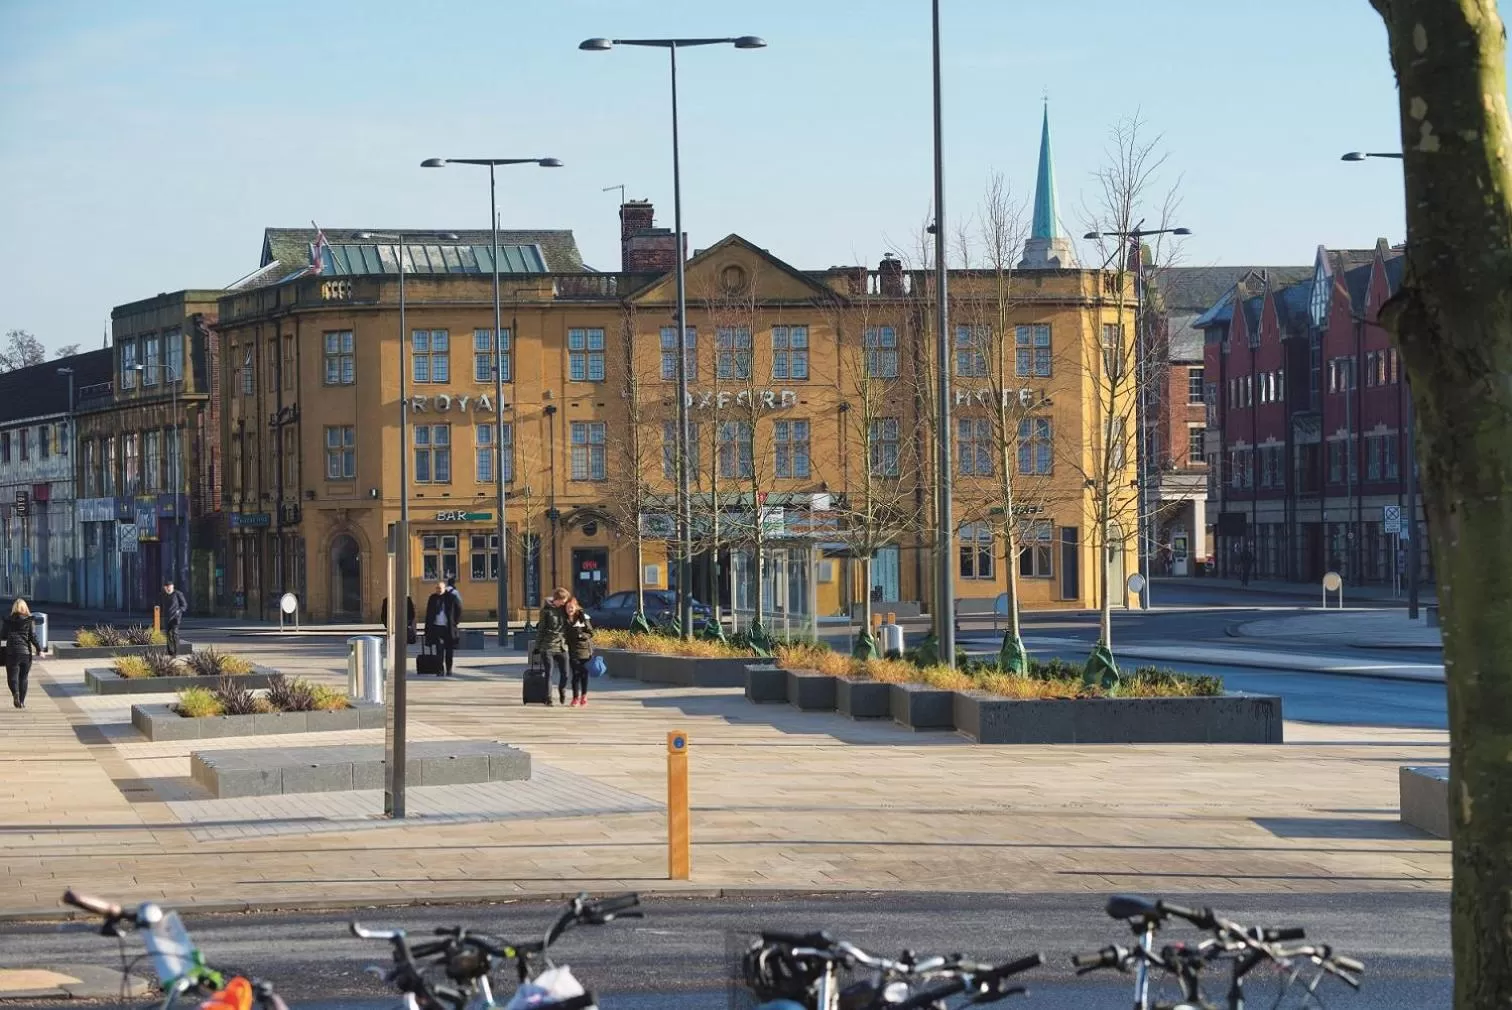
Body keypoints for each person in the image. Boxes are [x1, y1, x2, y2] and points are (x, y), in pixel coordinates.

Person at [535, 588, 572, 706]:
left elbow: (576, 611)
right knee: (548, 673)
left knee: (565, 673)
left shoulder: (565, 609)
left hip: (562, 646)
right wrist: (537, 646)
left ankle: (562, 690)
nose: (565, 602)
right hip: (548, 646)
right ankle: (548, 698)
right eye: (563, 600)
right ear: (558, 599)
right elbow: (541, 629)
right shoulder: (546, 611)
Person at [3, 598, 42, 709]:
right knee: (23, 678)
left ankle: (15, 693)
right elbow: (33, 637)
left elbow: (3, 635)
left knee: (12, 677)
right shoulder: (29, 621)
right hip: (25, 653)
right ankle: (22, 702)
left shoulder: (8, 620)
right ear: (25, 608)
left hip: (11, 652)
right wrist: (39, 650)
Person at [423, 580, 462, 675]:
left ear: (444, 588)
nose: (438, 590)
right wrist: (427, 628)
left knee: (449, 650)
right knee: (439, 650)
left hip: (448, 628)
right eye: (437, 588)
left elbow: (459, 608)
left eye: (440, 588)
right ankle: (440, 670)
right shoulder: (433, 598)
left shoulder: (451, 598)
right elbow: (428, 614)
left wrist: (455, 622)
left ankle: (449, 669)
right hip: (437, 628)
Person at [563, 593, 595, 707]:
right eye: (567, 608)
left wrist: (582, 635)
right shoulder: (564, 619)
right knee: (576, 674)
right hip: (572, 651)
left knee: (584, 674)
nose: (569, 610)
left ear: (576, 607)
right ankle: (575, 697)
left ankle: (584, 696)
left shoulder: (582, 617)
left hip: (585, 651)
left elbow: (591, 633)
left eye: (571, 607)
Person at [160, 580, 187, 656]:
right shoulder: (163, 595)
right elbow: (161, 604)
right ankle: (170, 651)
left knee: (175, 633)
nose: (168, 589)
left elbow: (184, 605)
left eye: (169, 587)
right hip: (167, 617)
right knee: (168, 634)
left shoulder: (178, 594)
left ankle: (176, 651)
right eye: (166, 587)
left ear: (172, 587)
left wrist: (179, 610)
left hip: (175, 617)